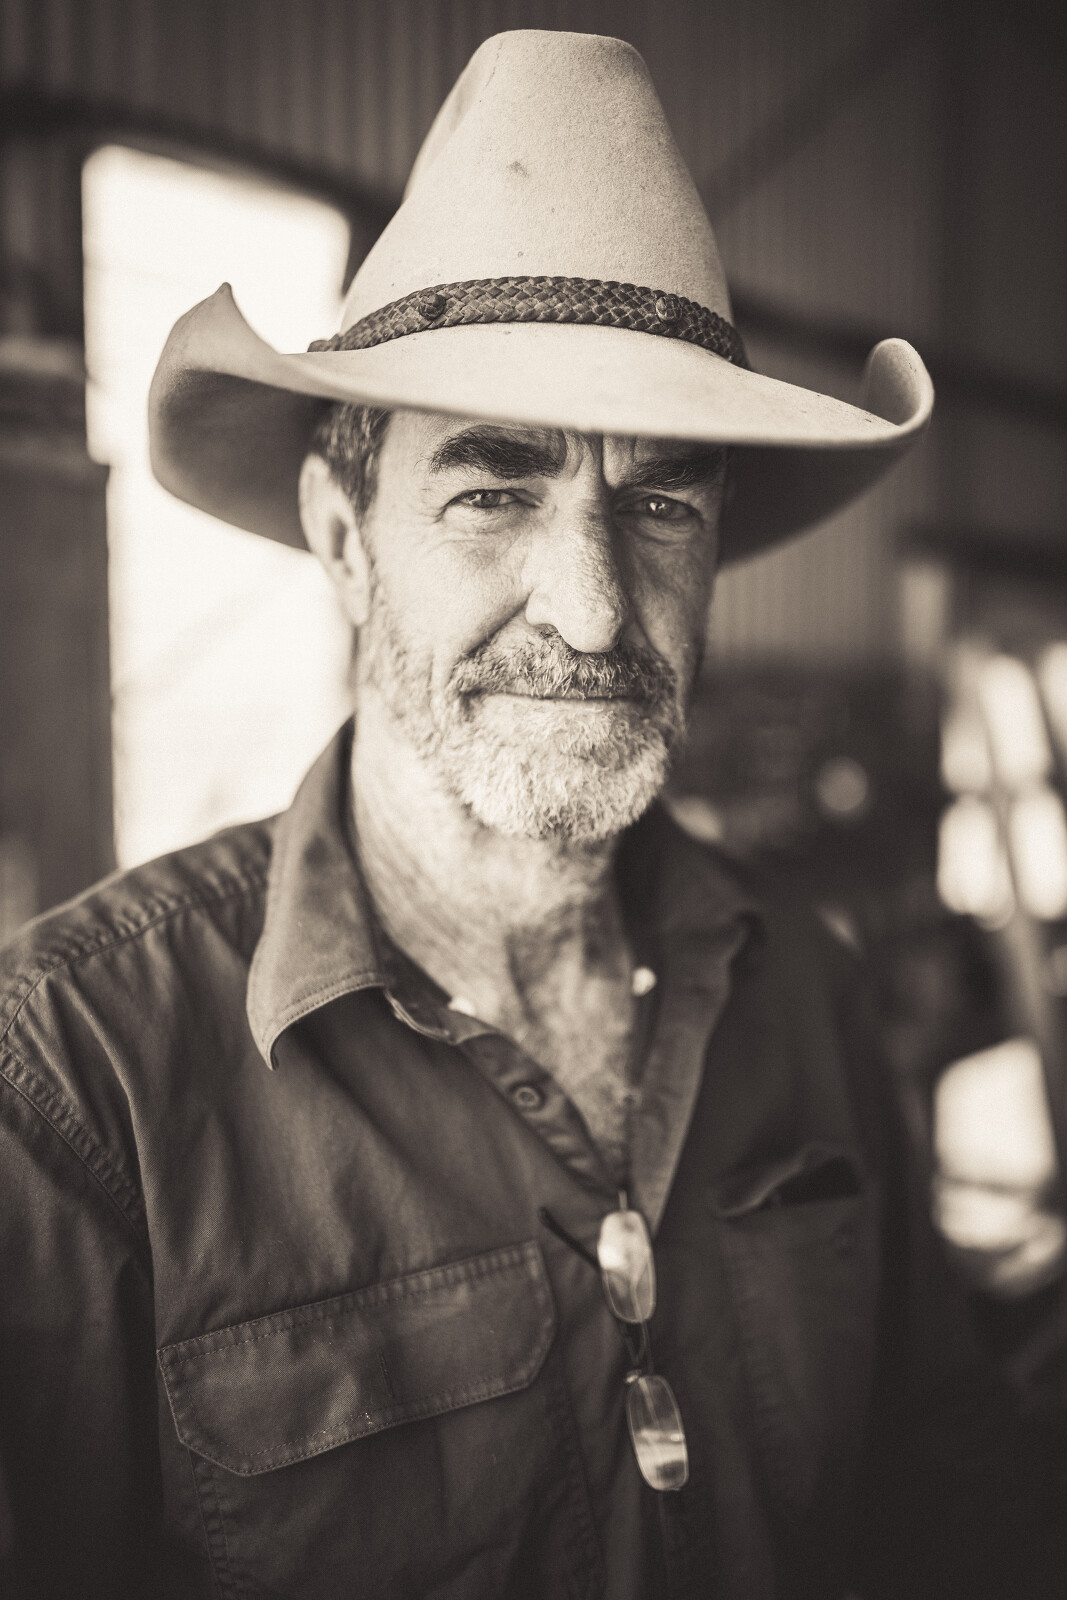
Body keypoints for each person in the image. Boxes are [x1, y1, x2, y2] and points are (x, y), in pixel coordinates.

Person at [0, 29, 1057, 1600]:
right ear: (345, 539)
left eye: (660, 500)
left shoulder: (810, 993)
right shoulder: (76, 1091)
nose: (593, 605)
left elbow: (947, 1496)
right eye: (494, 491)